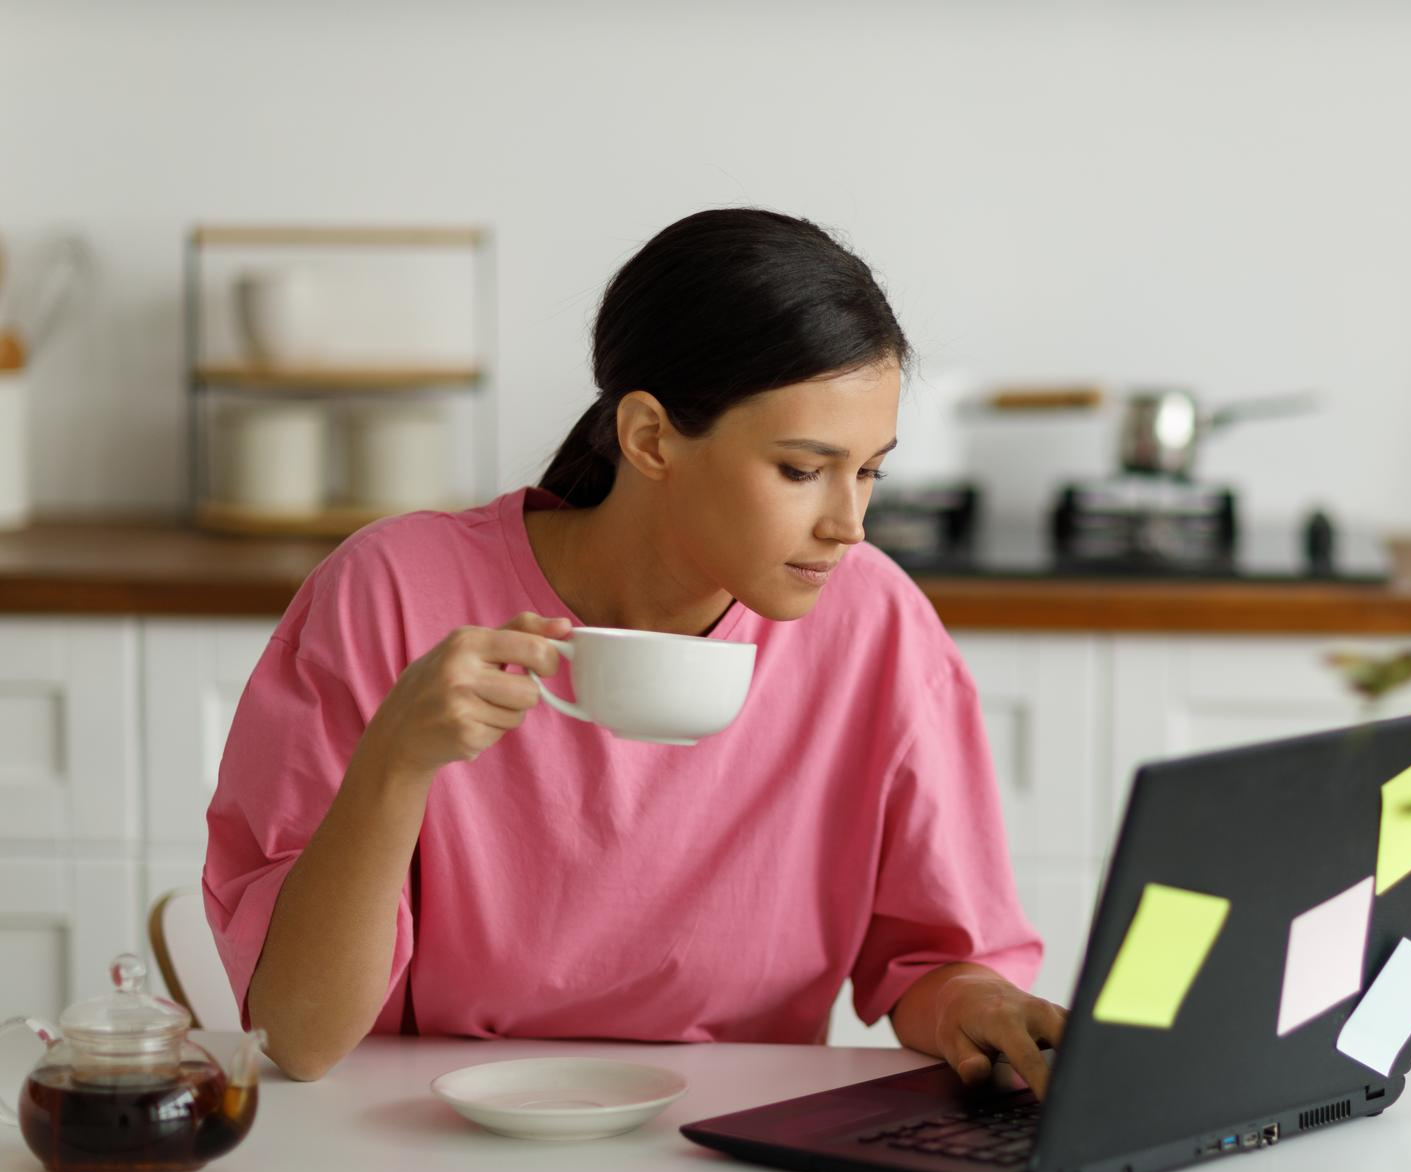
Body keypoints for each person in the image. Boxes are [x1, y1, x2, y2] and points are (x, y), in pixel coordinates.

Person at [203, 208, 1067, 1094]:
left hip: (734, 1150)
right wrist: (396, 762)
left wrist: (975, 1004)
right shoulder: (390, 591)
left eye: (870, 470)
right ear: (650, 437)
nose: (848, 523)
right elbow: (299, 1036)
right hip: (422, 1136)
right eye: (802, 471)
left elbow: (932, 963)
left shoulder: (874, 622)